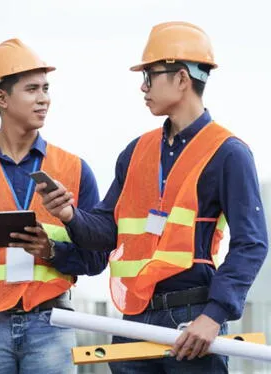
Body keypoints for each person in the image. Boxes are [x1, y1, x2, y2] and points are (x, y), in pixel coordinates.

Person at [37, 22, 269, 373]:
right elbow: (105, 231)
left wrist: (213, 316)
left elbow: (251, 243)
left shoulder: (228, 153)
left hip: (191, 319)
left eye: (150, 75)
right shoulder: (136, 152)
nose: (142, 87)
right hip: (133, 318)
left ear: (181, 78)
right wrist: (70, 214)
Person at [0, 38, 109, 374]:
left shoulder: (75, 169)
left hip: (50, 324)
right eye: (32, 89)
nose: (44, 99)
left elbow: (98, 257)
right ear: (2, 98)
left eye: (46, 88)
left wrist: (52, 251)